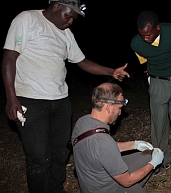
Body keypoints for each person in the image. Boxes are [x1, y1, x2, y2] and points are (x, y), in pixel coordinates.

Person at [1, 1, 130, 193]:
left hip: (60, 100)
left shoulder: (65, 34)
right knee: (39, 157)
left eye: (73, 19)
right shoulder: (27, 19)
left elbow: (82, 61)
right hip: (31, 100)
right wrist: (11, 98)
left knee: (61, 151)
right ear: (56, 6)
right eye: (68, 16)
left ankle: (55, 188)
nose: (70, 21)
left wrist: (111, 71)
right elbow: (9, 58)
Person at [71, 82, 164, 193]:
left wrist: (134, 144)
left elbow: (102, 151)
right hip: (107, 189)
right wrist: (153, 164)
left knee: (148, 155)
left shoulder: (83, 122)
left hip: (93, 182)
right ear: (108, 106)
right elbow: (127, 181)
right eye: (119, 108)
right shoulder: (103, 142)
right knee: (147, 164)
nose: (120, 113)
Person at [130, 10, 171, 179]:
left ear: (158, 28)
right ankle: (160, 159)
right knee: (158, 124)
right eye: (142, 35)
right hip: (158, 83)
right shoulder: (136, 43)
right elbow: (144, 63)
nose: (145, 38)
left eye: (148, 34)